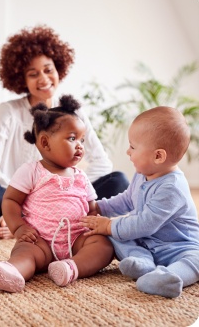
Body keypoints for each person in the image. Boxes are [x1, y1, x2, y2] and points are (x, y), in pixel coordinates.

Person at [0, 25, 129, 239]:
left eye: (48, 70)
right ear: (22, 79)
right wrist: (28, 195)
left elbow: (102, 164)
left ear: (58, 69)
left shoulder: (73, 112)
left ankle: (26, 222)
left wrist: (69, 188)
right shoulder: (9, 111)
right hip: (20, 198)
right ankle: (20, 219)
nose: (43, 79)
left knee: (118, 180)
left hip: (65, 199)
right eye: (33, 74)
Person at [0, 95, 114, 292]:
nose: (80, 146)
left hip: (76, 240)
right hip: (40, 240)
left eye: (82, 140)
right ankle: (12, 271)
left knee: (104, 246)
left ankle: (71, 268)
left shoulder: (81, 176)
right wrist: (19, 228)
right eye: (73, 138)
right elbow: (10, 200)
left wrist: (96, 223)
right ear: (45, 142)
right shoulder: (31, 170)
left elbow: (92, 208)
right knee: (25, 251)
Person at [79, 106, 199, 298]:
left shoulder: (172, 187)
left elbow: (144, 224)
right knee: (114, 235)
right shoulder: (143, 174)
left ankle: (169, 277)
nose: (128, 151)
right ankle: (142, 261)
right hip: (147, 243)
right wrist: (100, 207)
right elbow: (127, 199)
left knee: (195, 260)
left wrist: (108, 225)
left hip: (178, 248)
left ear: (158, 156)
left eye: (133, 147)